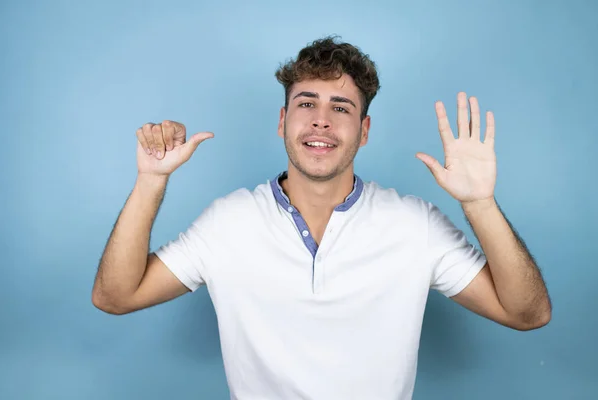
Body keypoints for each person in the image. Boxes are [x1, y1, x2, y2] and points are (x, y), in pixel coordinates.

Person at [92, 36, 551, 399]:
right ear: (282, 120)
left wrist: (479, 203)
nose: (321, 121)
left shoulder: (415, 226)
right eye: (307, 103)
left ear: (364, 131)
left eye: (341, 107)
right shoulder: (227, 223)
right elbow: (115, 296)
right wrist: (151, 181)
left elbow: (527, 313)